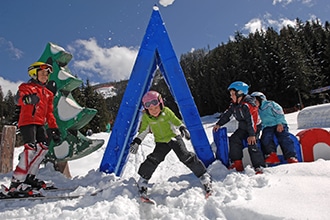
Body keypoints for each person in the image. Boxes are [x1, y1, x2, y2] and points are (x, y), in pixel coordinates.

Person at [129, 90, 212, 197]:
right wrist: (137, 141)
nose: (154, 111)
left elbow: (175, 121)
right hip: (161, 142)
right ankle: (143, 179)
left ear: (161, 104)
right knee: (154, 158)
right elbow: (144, 131)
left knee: (184, 156)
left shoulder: (166, 112)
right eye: (150, 109)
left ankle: (203, 174)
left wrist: (182, 128)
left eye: (156, 107)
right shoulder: (146, 117)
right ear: (146, 109)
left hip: (174, 137)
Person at [8, 62, 61, 196]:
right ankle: (16, 182)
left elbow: (49, 113)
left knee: (43, 148)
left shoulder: (48, 93)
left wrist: (54, 127)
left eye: (47, 74)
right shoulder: (27, 87)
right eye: (42, 73)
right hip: (27, 122)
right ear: (34, 74)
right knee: (30, 148)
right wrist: (27, 99)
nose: (45, 76)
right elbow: (18, 99)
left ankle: (30, 177)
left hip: (40, 124)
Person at [213, 81, 265, 174]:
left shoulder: (248, 105)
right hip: (243, 127)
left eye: (232, 94)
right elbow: (227, 115)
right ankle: (237, 163)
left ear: (240, 93)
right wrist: (219, 124)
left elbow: (251, 121)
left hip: (254, 127)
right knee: (234, 139)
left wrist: (252, 135)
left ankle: (259, 166)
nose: (231, 96)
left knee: (252, 143)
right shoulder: (234, 104)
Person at [251, 91, 298, 165]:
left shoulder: (270, 104)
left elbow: (279, 112)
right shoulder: (256, 110)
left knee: (284, 137)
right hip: (268, 126)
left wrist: (280, 123)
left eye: (255, 101)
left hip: (278, 123)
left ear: (261, 99)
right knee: (265, 138)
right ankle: (271, 154)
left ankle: (291, 156)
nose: (254, 103)